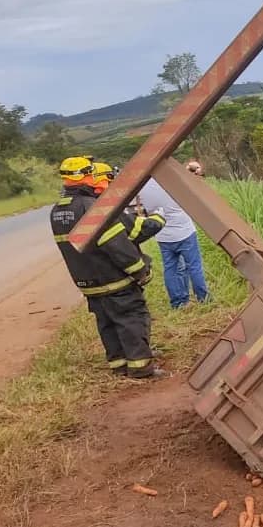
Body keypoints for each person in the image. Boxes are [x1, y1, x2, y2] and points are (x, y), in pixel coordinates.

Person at [51, 156, 168, 379]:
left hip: (88, 282)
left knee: (107, 324)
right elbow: (117, 246)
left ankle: (119, 365)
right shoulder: (92, 208)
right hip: (113, 279)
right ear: (88, 176)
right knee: (130, 320)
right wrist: (140, 270)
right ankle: (141, 368)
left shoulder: (58, 210)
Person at [136, 161, 210, 308]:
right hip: (184, 230)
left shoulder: (143, 186)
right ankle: (203, 298)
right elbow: (195, 185)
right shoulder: (171, 181)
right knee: (194, 266)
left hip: (163, 233)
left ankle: (178, 302)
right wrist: (193, 170)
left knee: (171, 268)